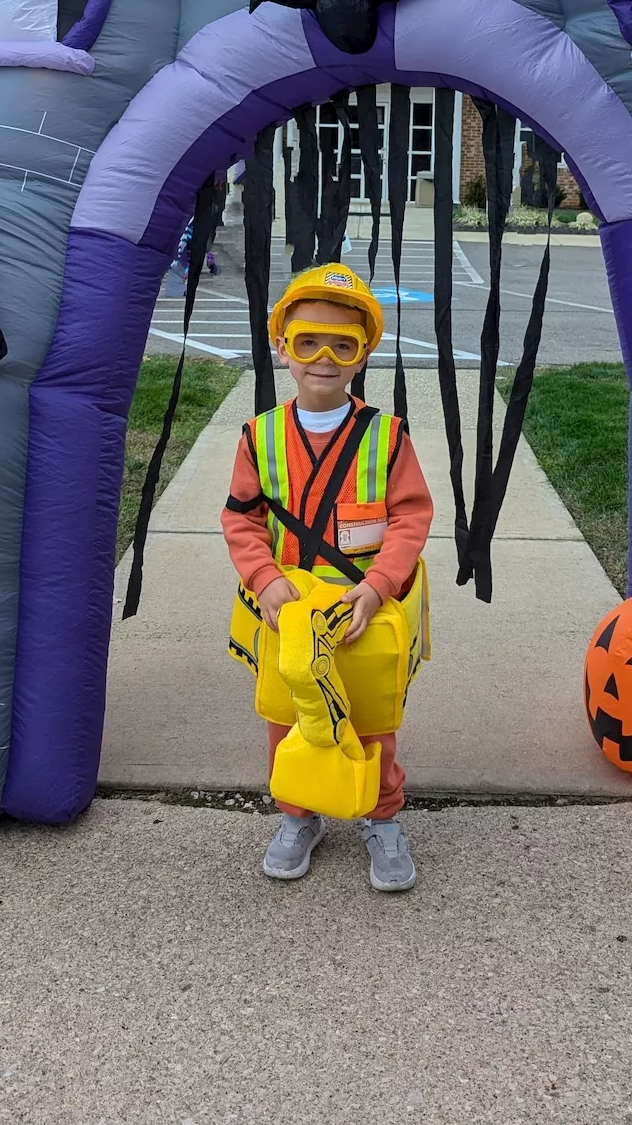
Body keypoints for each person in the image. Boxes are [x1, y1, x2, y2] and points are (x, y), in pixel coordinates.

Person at [221, 264, 433, 891]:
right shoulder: (258, 437)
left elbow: (410, 517)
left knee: (371, 721)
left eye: (344, 345)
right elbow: (242, 521)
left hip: (362, 608)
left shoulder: (387, 437)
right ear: (280, 345)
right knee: (288, 720)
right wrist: (263, 580)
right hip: (288, 614)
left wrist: (379, 587)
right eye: (308, 340)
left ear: (364, 354)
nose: (324, 358)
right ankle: (298, 813)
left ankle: (381, 815)